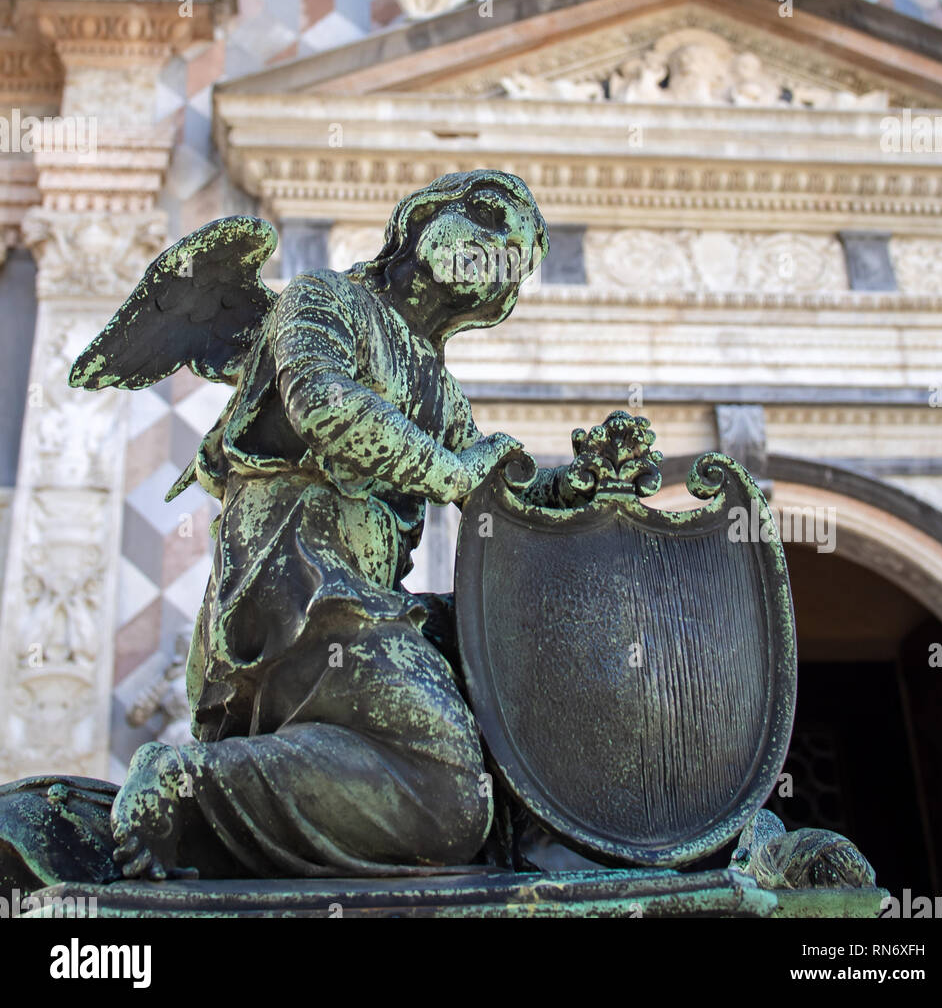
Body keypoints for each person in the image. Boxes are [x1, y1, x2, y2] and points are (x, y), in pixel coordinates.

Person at [0, 170, 549, 889]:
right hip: (295, 572)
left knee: (465, 786)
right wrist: (452, 473)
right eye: (482, 215)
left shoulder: (434, 382)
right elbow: (324, 403)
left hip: (367, 596)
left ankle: (217, 807)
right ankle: (185, 779)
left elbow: (495, 495)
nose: (494, 245)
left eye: (516, 246)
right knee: (446, 790)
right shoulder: (328, 300)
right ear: (421, 219)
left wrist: (583, 487)